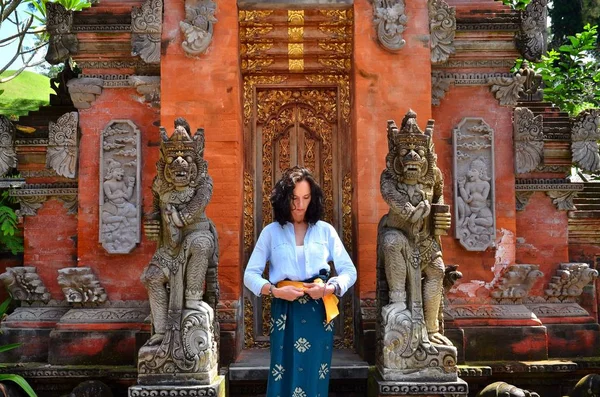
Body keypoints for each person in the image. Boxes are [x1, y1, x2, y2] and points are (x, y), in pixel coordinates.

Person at [244, 166, 356, 397]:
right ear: (284, 199)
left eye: (305, 198)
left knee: (315, 372)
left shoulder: (325, 231)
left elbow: (349, 271)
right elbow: (250, 275)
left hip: (318, 311)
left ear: (312, 199)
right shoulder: (271, 232)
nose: (300, 205)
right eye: (294, 198)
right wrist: (274, 291)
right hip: (284, 310)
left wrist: (329, 288)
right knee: (283, 369)